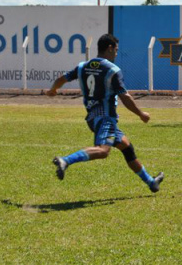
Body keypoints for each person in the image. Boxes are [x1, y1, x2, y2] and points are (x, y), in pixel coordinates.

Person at [46, 34, 164, 192]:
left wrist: (53, 89)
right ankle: (65, 161)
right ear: (109, 48)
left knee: (126, 147)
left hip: (93, 118)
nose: (116, 53)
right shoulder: (112, 70)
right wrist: (141, 114)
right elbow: (124, 96)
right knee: (103, 151)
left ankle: (151, 182)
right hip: (105, 117)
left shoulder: (82, 66)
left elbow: (62, 78)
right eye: (116, 49)